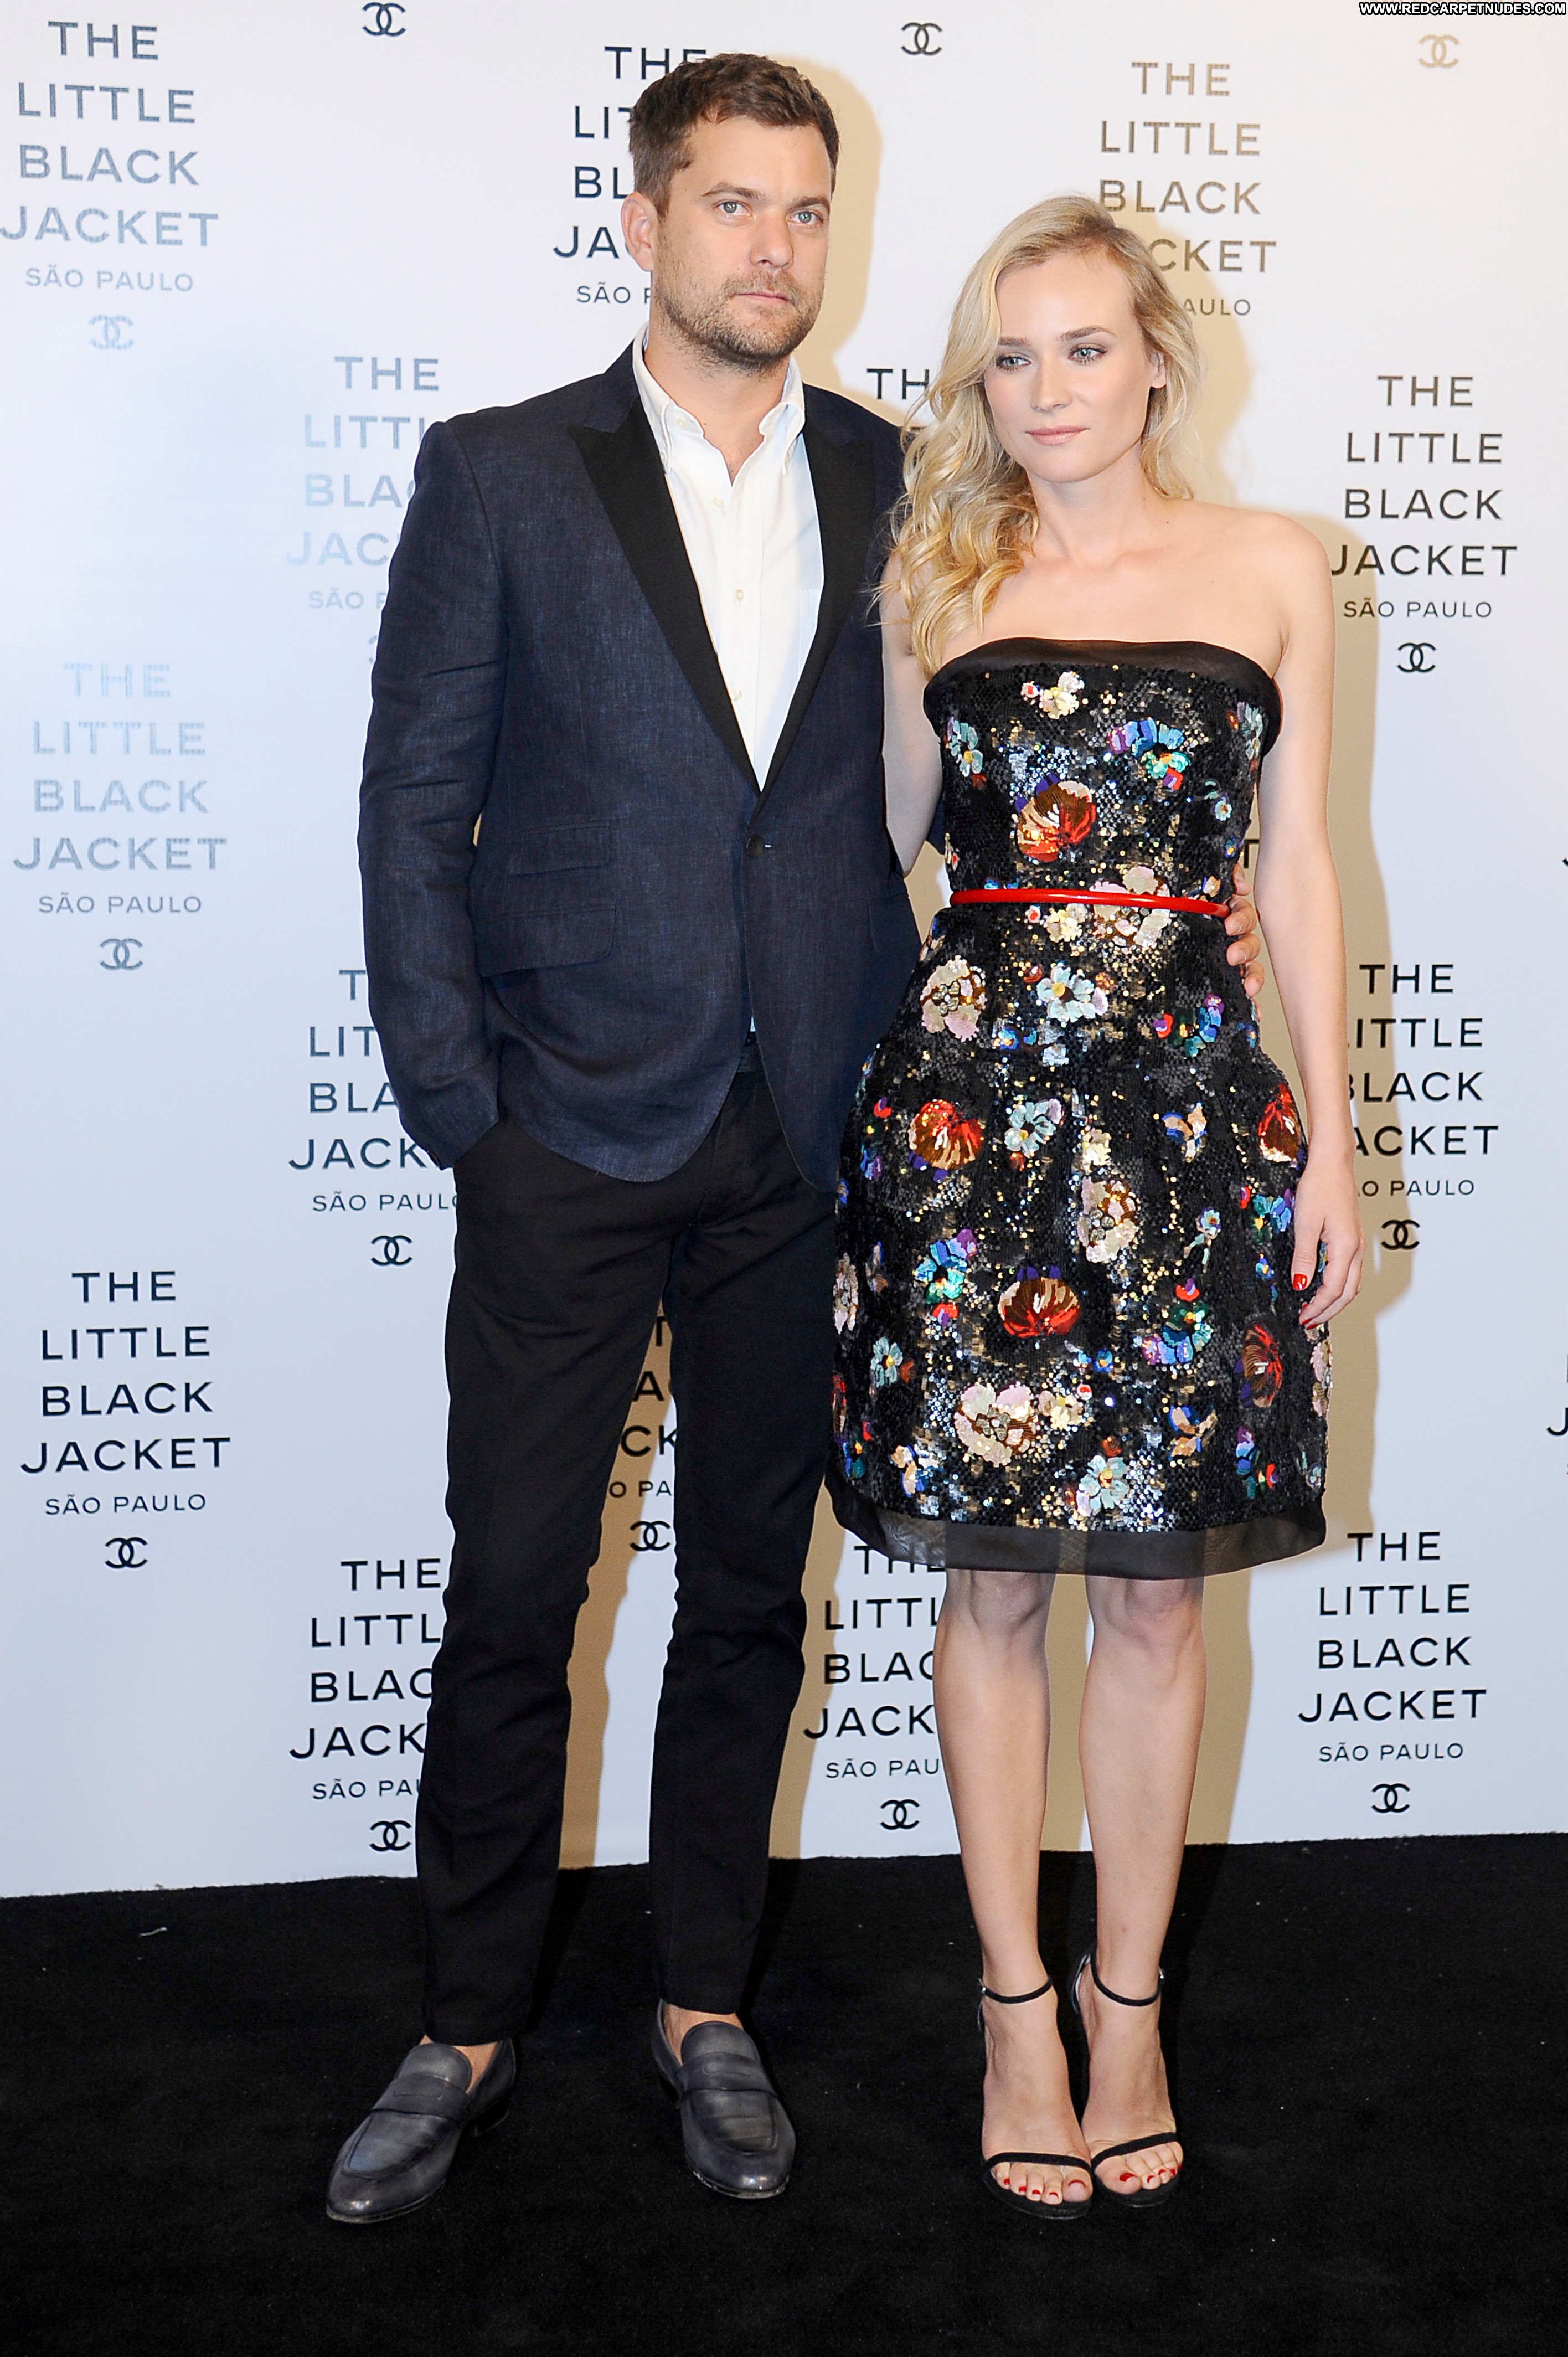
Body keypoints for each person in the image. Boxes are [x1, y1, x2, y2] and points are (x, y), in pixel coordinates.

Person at [335, 53, 1263, 2223]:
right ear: (645, 221)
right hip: (567, 1127)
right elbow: (411, 800)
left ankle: (705, 2003)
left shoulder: (904, 483)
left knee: (752, 1596)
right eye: (733, 204)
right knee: (512, 1590)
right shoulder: (504, 471)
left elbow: (982, 783)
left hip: (819, 1141)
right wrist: (462, 1102)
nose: (773, 247)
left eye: (805, 210)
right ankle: (464, 2020)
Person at [829, 197, 1361, 2218]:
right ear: (980, 385)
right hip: (971, 1140)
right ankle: (1012, 2012)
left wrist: (1336, 1137)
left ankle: (1128, 2009)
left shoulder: (1274, 565)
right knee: (989, 1590)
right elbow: (890, 849)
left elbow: (1294, 872)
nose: (1047, 390)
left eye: (1081, 347)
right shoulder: (934, 577)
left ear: (1154, 358)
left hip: (1200, 1128)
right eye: (1009, 356)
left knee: (1153, 1595)